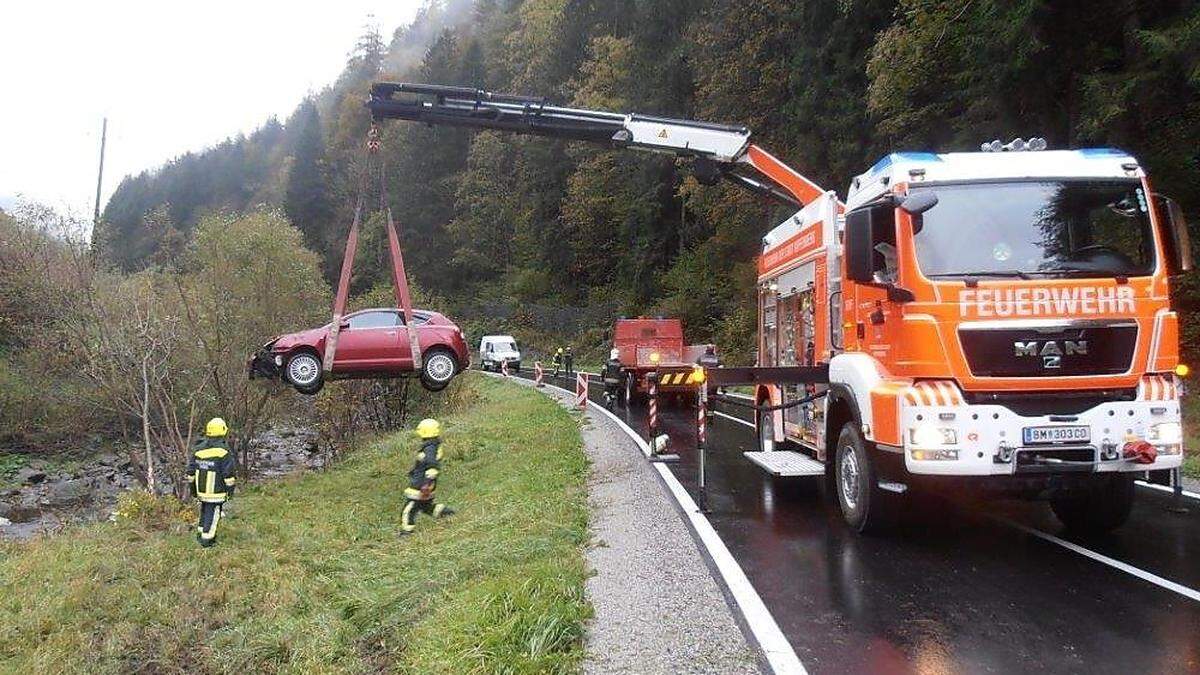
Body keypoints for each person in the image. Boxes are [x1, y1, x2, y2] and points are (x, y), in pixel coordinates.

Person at [187, 417, 237, 548]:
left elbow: (190, 473)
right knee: (213, 515)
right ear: (223, 432)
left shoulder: (198, 449)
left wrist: (193, 491)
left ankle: (200, 534)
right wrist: (230, 492)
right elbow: (229, 476)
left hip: (201, 491)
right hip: (216, 492)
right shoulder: (223, 451)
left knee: (204, 512)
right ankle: (207, 542)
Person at [400, 418, 455, 536]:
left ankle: (406, 532)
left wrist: (427, 483)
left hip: (420, 487)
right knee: (427, 507)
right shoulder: (432, 446)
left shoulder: (430, 448)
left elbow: (432, 466)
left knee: (408, 510)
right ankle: (447, 513)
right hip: (425, 485)